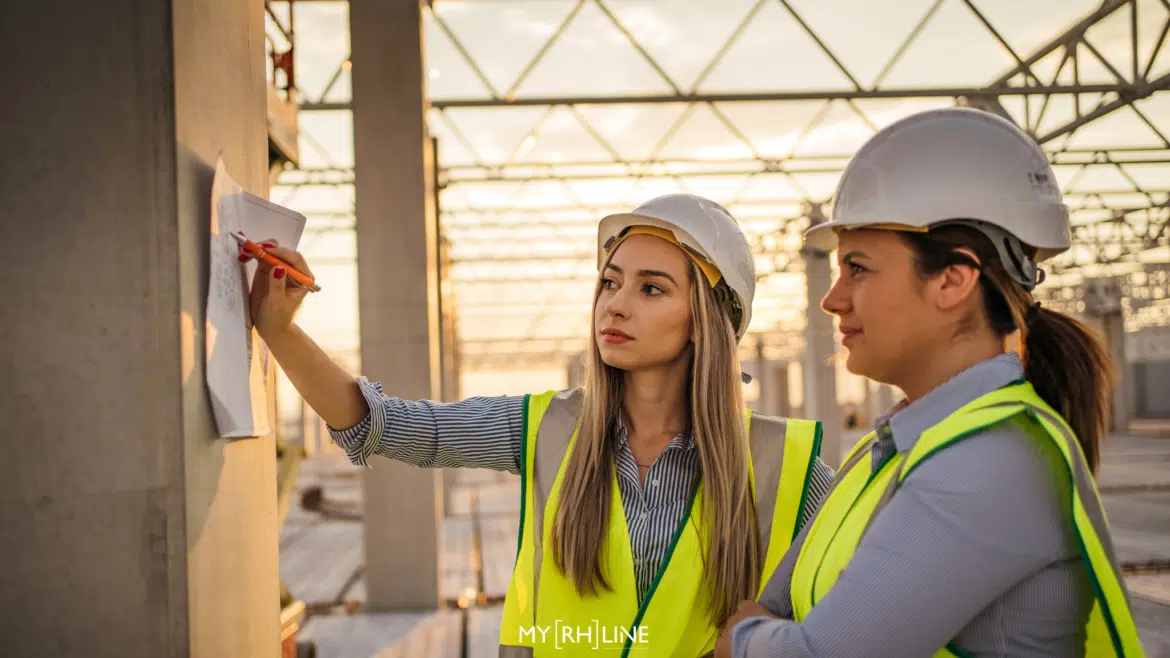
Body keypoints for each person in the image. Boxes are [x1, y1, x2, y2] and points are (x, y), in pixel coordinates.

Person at [244, 193, 836, 657]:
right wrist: (279, 330)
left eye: (651, 288)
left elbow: (861, 621)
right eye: (611, 281)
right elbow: (388, 426)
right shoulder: (545, 428)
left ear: (706, 321)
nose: (616, 303)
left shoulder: (790, 466)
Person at [716, 107, 1145, 658]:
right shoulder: (888, 451)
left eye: (859, 268)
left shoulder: (991, 463)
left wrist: (744, 642)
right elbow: (778, 610)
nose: (832, 298)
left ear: (952, 279)